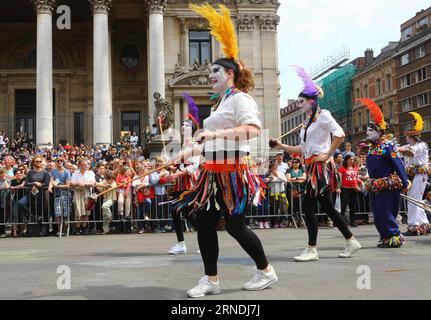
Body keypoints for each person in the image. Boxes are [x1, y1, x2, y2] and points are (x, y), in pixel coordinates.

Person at [172, 3, 277, 298]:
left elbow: (253, 131)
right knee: (204, 223)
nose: (210, 74)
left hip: (233, 170)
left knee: (235, 227)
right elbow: (210, 141)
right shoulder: (219, 104)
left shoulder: (241, 99)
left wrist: (215, 133)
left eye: (215, 70)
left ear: (230, 73)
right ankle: (211, 279)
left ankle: (266, 270)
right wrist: (187, 153)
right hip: (212, 170)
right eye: (210, 72)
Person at [270, 66, 361, 262]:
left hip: (320, 169)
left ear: (311, 101)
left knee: (308, 207)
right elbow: (303, 149)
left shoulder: (324, 115)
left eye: (301, 101)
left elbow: (340, 134)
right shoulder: (307, 122)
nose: (299, 104)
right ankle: (349, 240)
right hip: (311, 167)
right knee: (326, 207)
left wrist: (328, 154)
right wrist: (281, 145)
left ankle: (312, 249)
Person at [357, 98, 409, 248]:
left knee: (385, 211)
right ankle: (385, 237)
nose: (367, 132)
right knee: (378, 214)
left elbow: (398, 164)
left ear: (379, 132)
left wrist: (405, 182)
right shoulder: (372, 148)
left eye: (371, 130)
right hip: (375, 185)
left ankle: (394, 236)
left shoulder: (388, 146)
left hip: (387, 184)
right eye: (367, 130)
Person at [167, 94, 201, 254]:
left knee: (178, 210)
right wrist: (173, 169)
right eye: (182, 126)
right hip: (182, 181)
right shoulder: (183, 146)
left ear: (192, 129)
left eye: (186, 126)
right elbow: (181, 164)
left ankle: (184, 244)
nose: (182, 128)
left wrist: (176, 174)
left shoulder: (194, 145)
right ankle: (184, 243)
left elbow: (194, 167)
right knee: (186, 213)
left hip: (190, 183)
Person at [398, 112, 430, 236]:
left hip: (420, 174)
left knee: (413, 200)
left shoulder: (421, 145)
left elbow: (411, 152)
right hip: (413, 175)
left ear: (413, 137)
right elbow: (399, 149)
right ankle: (424, 224)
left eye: (407, 137)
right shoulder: (409, 145)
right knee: (416, 199)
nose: (406, 138)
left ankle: (413, 226)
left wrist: (399, 149)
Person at [70, 158, 96, 235]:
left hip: (87, 192)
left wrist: (85, 184)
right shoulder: (75, 173)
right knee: (78, 210)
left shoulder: (91, 173)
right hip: (78, 192)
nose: (86, 166)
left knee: (86, 211)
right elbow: (71, 183)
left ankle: (84, 228)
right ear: (80, 165)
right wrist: (77, 183)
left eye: (87, 165)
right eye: (84, 165)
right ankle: (78, 228)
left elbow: (93, 182)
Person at [47, 157, 72, 236]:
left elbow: (67, 185)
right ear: (56, 162)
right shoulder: (53, 171)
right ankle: (59, 229)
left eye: (61, 161)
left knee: (65, 213)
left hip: (66, 194)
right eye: (58, 161)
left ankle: (65, 229)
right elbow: (51, 181)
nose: (60, 162)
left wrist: (57, 186)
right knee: (58, 212)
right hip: (57, 195)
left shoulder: (67, 172)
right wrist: (50, 188)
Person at [338, 155, 363, 227]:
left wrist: (360, 182)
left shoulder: (355, 168)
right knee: (343, 206)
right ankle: (341, 222)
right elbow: (339, 179)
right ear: (346, 160)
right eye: (350, 159)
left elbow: (355, 178)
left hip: (354, 189)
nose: (352, 161)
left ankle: (352, 222)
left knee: (353, 206)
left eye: (352, 159)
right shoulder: (342, 168)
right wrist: (338, 187)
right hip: (345, 189)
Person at [268, 162, 288, 228]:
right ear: (270, 169)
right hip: (273, 194)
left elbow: (285, 181)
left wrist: (278, 176)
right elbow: (269, 186)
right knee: (274, 209)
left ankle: (282, 222)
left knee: (283, 209)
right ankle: (274, 223)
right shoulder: (269, 176)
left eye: (276, 167)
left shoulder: (281, 174)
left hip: (281, 193)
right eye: (273, 167)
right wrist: (272, 178)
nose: (275, 168)